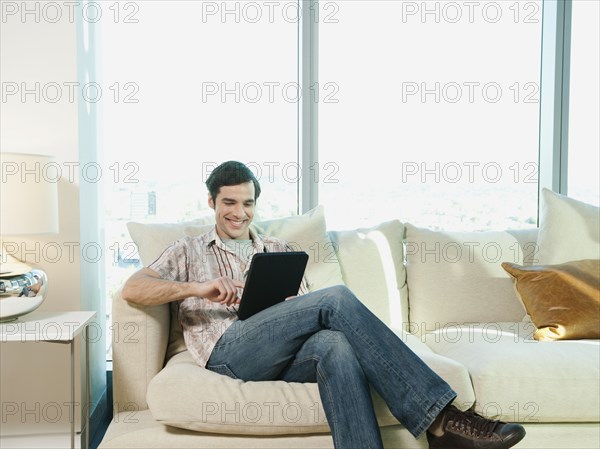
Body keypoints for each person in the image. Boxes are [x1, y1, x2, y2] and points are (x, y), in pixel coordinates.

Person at [122, 161, 526, 449]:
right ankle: (441, 419)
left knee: (336, 344)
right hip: (229, 352)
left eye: (247, 204)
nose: (239, 213)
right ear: (212, 202)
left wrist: (290, 306)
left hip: (284, 350)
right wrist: (199, 287)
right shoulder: (189, 248)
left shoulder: (278, 250)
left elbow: (306, 308)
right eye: (229, 203)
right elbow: (134, 289)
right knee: (335, 299)